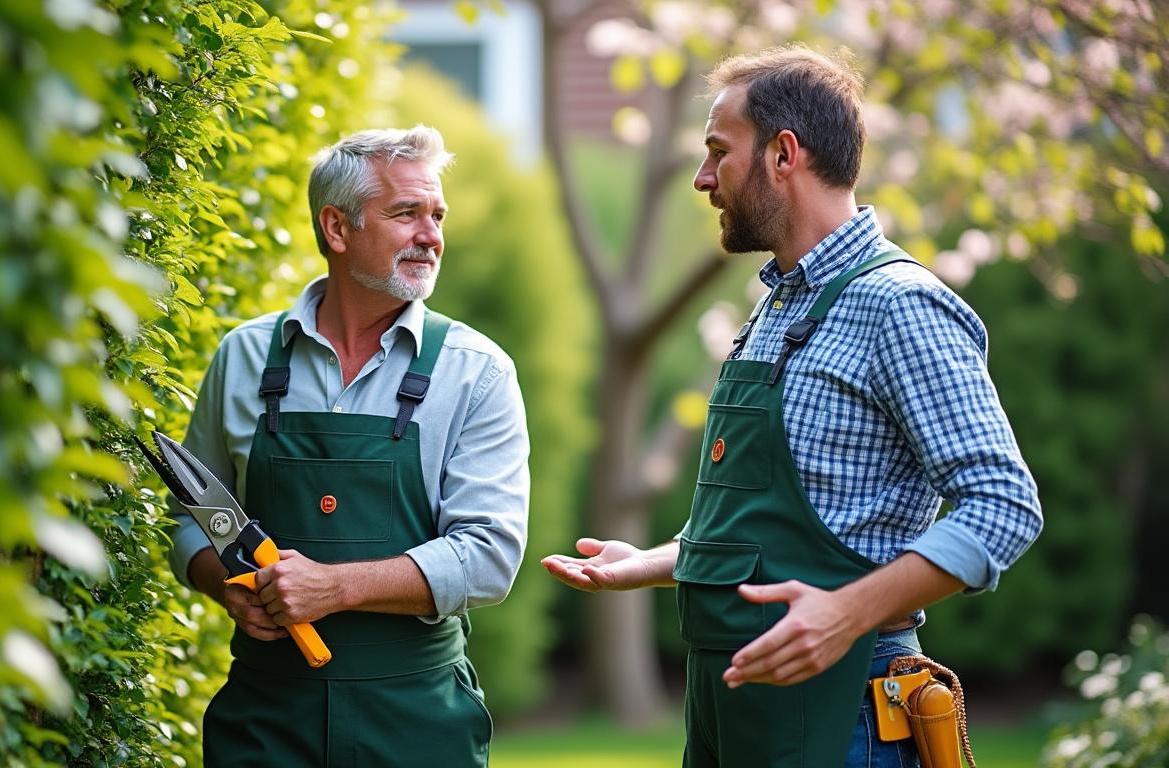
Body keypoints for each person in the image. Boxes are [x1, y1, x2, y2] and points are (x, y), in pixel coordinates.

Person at [543, 46, 1041, 767]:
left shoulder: (899, 306)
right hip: (732, 709)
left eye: (718, 151)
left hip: (845, 708)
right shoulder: (777, 306)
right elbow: (780, 529)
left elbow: (1003, 505)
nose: (701, 177)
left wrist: (847, 612)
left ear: (783, 154)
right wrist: (659, 560)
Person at [168, 126, 530, 767]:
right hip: (264, 723)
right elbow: (193, 521)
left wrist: (334, 588)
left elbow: (489, 556)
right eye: (406, 214)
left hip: (417, 722)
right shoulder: (245, 357)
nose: (431, 236)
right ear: (336, 228)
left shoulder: (477, 370)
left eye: (437, 215)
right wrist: (225, 584)